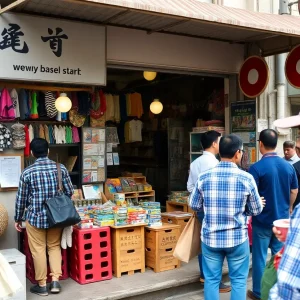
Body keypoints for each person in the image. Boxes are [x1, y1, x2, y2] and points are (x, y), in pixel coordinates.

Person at [190, 134, 263, 300]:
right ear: (238, 153)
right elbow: (256, 209)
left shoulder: (204, 177)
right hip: (237, 238)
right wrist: (245, 210)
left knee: (211, 280)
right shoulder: (246, 178)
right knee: (238, 280)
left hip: (210, 238)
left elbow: (194, 205)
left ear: (219, 151)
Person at [14, 138, 74, 296]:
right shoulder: (60, 168)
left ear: (32, 153)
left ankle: (41, 285)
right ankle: (55, 281)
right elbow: (69, 192)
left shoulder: (27, 172)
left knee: (38, 250)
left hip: (35, 218)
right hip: (57, 218)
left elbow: (21, 199)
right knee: (54, 247)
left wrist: (18, 218)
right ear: (48, 151)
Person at [247, 129, 298, 300]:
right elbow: (294, 190)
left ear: (260, 144)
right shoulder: (288, 167)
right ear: (276, 144)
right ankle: (278, 291)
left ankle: (259, 293)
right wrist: (289, 207)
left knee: (260, 259)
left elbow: (251, 196)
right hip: (282, 222)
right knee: (279, 257)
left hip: (262, 221)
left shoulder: (255, 168)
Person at [187, 130, 231, 293]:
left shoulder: (195, 163)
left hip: (201, 209)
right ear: (214, 144)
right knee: (217, 246)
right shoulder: (216, 164)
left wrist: (200, 198)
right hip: (216, 210)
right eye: (220, 141)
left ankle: (205, 275)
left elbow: (190, 187)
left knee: (203, 242)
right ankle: (215, 281)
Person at [268, 204, 300, 299]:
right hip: (282, 214)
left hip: (263, 221)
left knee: (261, 257)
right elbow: (294, 191)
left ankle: (257, 291)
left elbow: (288, 287)